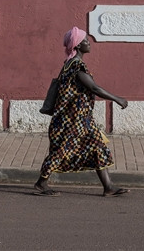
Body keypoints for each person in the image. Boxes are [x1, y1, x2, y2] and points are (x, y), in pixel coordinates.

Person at [34, 26, 130, 197]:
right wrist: (117, 99)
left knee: (98, 147)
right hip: (71, 121)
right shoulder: (76, 65)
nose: (89, 43)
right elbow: (94, 87)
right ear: (78, 45)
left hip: (82, 119)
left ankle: (108, 187)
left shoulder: (70, 64)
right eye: (85, 40)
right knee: (61, 151)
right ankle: (41, 183)